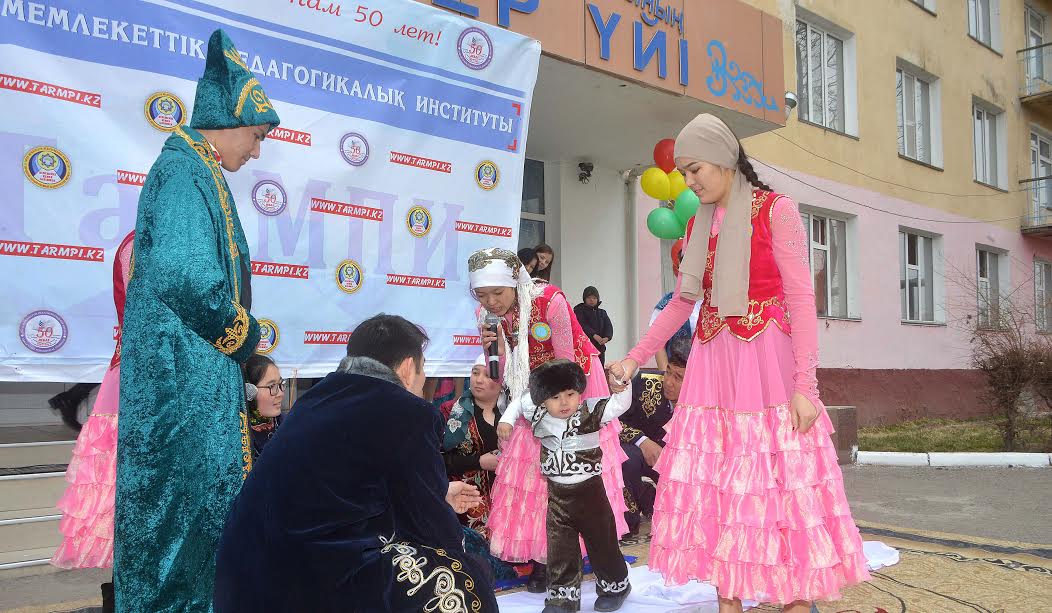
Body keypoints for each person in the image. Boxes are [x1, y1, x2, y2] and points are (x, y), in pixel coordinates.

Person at [606, 114, 869, 613]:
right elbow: (682, 303)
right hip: (714, 367)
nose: (689, 181)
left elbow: (800, 301)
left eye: (696, 169)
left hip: (767, 364)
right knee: (722, 487)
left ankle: (795, 600)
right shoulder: (696, 224)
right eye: (684, 173)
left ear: (725, 158)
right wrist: (635, 357)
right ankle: (728, 601)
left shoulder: (776, 211)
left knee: (781, 487)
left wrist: (806, 387)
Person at [114, 29, 280, 611]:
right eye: (257, 136)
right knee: (180, 528)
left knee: (196, 525)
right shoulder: (184, 173)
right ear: (230, 121)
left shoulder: (199, 172)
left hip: (192, 380)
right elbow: (185, 277)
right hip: (179, 390)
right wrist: (248, 336)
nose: (256, 152)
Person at [213, 314, 497, 613]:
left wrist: (438, 493)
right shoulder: (410, 412)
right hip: (309, 580)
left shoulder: (316, 398)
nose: (424, 378)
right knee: (463, 581)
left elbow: (348, 489)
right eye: (423, 368)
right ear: (408, 368)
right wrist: (466, 560)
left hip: (243, 577)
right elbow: (428, 524)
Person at [468, 247, 629, 593]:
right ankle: (547, 559)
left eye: (497, 292)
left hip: (573, 386)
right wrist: (494, 350)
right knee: (535, 474)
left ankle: (600, 563)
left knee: (580, 473)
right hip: (528, 391)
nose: (491, 302)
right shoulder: (487, 315)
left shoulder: (549, 300)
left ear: (515, 282)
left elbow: (566, 365)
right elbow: (501, 374)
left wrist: (551, 409)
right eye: (482, 295)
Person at [499, 360, 633, 613]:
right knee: (560, 550)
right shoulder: (538, 414)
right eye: (555, 397)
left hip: (591, 495)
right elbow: (519, 402)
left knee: (602, 543)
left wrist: (621, 382)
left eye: (570, 394)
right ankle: (562, 598)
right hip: (558, 498)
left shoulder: (590, 411)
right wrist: (506, 420)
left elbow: (619, 404)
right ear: (542, 400)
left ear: (579, 392)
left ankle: (615, 587)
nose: (564, 402)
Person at [50, 230, 134, 613]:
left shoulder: (138, 242)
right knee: (123, 495)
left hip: (136, 371)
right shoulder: (142, 244)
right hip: (142, 377)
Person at [618, 335, 689, 536]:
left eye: (678, 378)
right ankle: (630, 518)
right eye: (668, 372)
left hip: (680, 466)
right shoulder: (644, 384)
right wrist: (642, 441)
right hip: (640, 454)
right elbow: (611, 422)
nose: (668, 382)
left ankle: (651, 499)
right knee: (626, 457)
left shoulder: (706, 405)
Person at [439, 354, 504, 537]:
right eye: (475, 373)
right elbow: (436, 460)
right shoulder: (450, 411)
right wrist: (478, 462)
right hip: (464, 507)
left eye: (487, 375)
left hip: (507, 509)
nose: (479, 380)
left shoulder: (514, 415)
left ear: (502, 381)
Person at [653, 241, 703, 372]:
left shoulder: (716, 303)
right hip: (678, 374)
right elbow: (658, 344)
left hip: (710, 373)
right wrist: (667, 375)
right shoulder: (666, 304)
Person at [242, 354, 285, 459]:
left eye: (280, 384)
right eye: (272, 386)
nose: (280, 394)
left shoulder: (287, 424)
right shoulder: (236, 436)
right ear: (249, 390)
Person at [573, 286, 614, 365]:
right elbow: (582, 325)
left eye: (594, 298)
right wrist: (594, 335)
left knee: (600, 368)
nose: (592, 300)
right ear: (584, 299)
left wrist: (607, 337)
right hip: (585, 348)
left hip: (600, 348)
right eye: (589, 298)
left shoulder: (602, 313)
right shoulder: (579, 311)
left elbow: (608, 326)